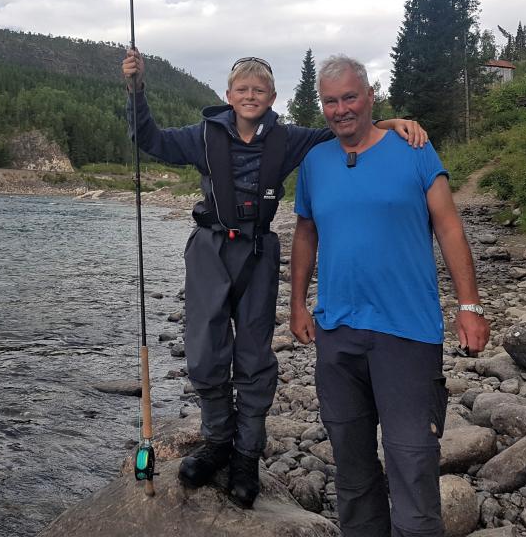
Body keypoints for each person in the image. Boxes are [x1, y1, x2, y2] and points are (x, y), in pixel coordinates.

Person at [122, 48, 428, 508]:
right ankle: (217, 441)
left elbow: (344, 124)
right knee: (204, 353)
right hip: (209, 250)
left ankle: (246, 454)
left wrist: (389, 122)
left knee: (254, 355)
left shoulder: (287, 139)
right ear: (228, 95)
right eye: (242, 89)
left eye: (259, 90)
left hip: (259, 252)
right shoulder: (203, 135)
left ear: (272, 96)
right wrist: (135, 88)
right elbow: (149, 138)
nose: (250, 96)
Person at [289, 55, 489, 536]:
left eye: (350, 97)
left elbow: (449, 227)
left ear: (370, 95)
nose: (341, 110)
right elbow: (304, 235)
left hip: (406, 334)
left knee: (413, 464)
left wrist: (470, 306)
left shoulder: (414, 149)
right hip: (337, 336)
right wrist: (296, 303)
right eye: (330, 101)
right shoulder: (315, 162)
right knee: (353, 473)